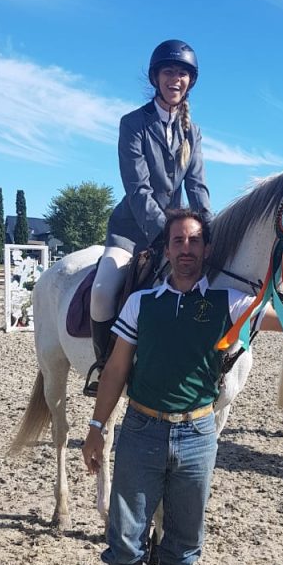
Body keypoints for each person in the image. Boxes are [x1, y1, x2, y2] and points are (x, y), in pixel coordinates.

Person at [82, 209, 283, 565]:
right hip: (141, 430)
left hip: (197, 435)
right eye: (178, 241)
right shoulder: (141, 303)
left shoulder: (229, 302)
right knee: (125, 537)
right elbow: (116, 370)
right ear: (167, 249)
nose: (186, 249)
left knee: (185, 539)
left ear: (206, 249)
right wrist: (96, 427)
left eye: (194, 240)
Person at [86, 39, 212, 395]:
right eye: (169, 71)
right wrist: (169, 232)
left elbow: (197, 187)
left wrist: (208, 231)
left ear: (190, 81)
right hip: (131, 231)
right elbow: (138, 188)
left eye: (183, 73)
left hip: (175, 234)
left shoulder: (193, 132)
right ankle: (103, 367)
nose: (176, 79)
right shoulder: (133, 123)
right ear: (156, 77)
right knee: (102, 292)